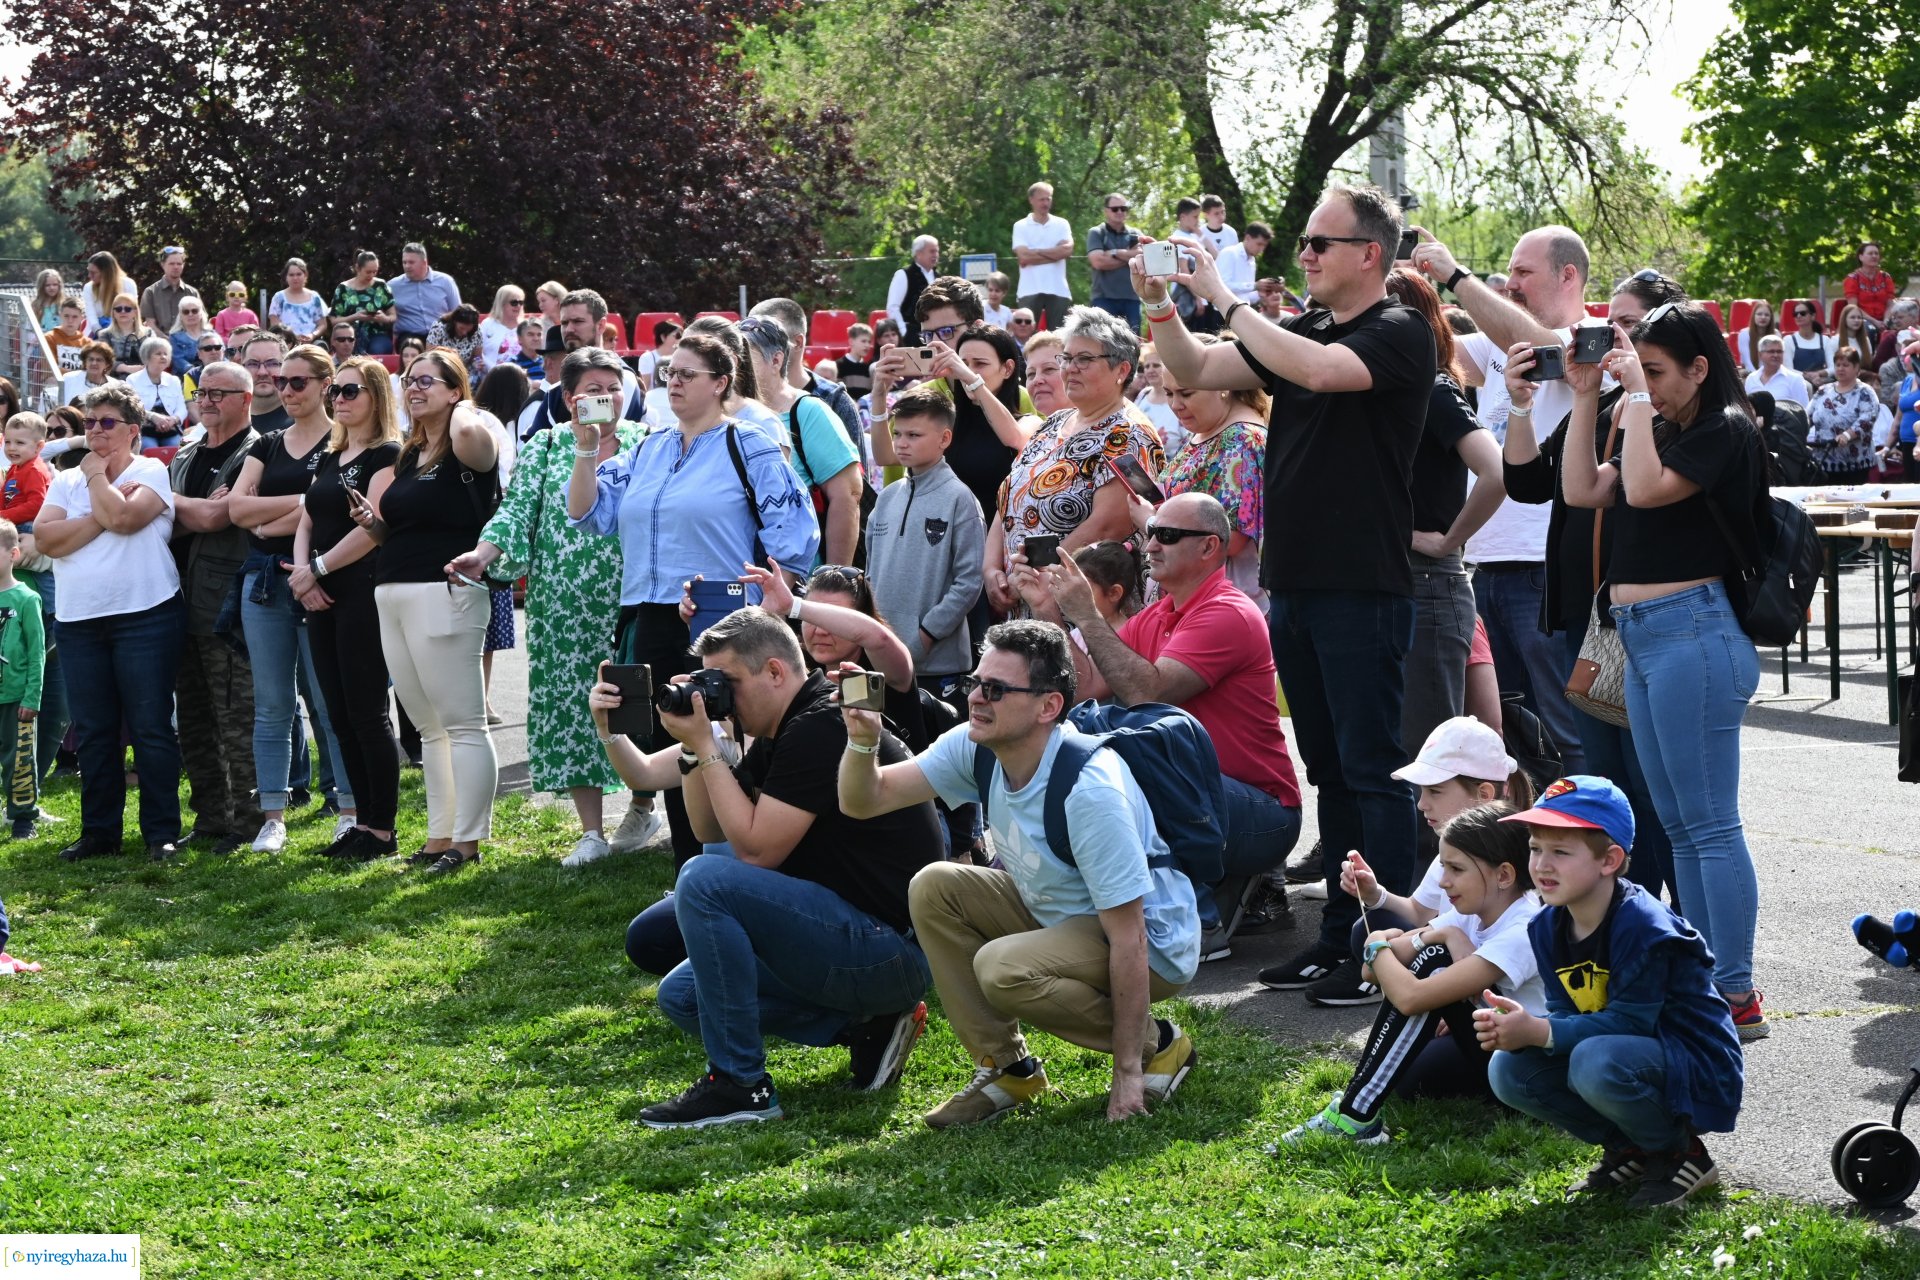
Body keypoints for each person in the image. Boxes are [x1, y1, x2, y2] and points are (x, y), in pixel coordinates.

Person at [1145, 183, 1431, 1006]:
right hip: (1298, 583)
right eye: (1303, 242)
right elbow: (1197, 366)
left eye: (1319, 243)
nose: (1303, 256)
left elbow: (1315, 371)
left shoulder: (1397, 331)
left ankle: (1391, 947)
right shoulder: (1301, 325)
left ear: (1370, 254)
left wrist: (1224, 294)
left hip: (1360, 584)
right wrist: (1163, 304)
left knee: (1373, 773)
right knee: (1332, 770)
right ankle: (1340, 938)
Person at [839, 619, 1202, 1126]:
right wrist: (861, 741)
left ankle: (1159, 1045)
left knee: (1002, 968)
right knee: (934, 887)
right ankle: (1009, 1070)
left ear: (1048, 706)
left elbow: (1131, 936)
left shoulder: (1089, 790)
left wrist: (1127, 1069)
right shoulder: (976, 745)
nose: (976, 700)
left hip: (1154, 944)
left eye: (996, 689)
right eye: (974, 684)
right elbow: (865, 800)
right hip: (1063, 915)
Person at [592, 605, 942, 1127]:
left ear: (775, 670)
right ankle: (864, 1025)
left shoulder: (820, 725)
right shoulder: (790, 723)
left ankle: (740, 1085)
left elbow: (756, 852)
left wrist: (708, 745)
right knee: (682, 996)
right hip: (859, 936)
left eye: (727, 682)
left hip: (890, 948)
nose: (721, 697)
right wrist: (694, 748)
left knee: (705, 880)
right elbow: (710, 830)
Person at [1555, 302, 1769, 1039]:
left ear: (1699, 368)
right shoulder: (1667, 428)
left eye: (1655, 370)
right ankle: (1709, 980)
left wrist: (1636, 402)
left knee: (1709, 826)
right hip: (1647, 639)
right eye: (1637, 369)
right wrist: (1588, 396)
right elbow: (1583, 490)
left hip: (1696, 633)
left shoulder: (1724, 430)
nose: (1640, 383)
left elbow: (1643, 491)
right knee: (1678, 827)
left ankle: (1735, 992)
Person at [566, 332, 818, 866]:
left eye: (686, 374)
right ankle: (689, 870)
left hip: (719, 621)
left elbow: (793, 533)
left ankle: (726, 865)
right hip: (647, 615)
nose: (672, 382)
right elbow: (588, 515)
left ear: (720, 383)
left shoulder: (748, 442)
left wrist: (769, 601)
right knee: (672, 737)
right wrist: (587, 446)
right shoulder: (648, 447)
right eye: (667, 372)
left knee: (720, 745)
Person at [1020, 492, 1303, 962]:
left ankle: (1201, 919)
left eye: (1166, 535)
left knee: (1134, 751)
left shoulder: (1226, 612)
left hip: (1262, 813)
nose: (1150, 545)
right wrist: (1049, 611)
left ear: (1209, 547)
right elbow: (1086, 685)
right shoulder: (1159, 613)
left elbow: (1144, 693)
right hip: (1209, 799)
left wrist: (1087, 614)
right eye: (1151, 532)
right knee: (1083, 738)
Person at [1499, 271, 1684, 908]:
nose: (1615, 338)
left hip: (1649, 623)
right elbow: (1526, 482)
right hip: (1589, 620)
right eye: (1613, 324)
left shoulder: (1685, 418)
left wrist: (1633, 395)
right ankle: (1620, 920)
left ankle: (1671, 928)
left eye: (1631, 326)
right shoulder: (1601, 407)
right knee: (1605, 783)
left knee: (1653, 788)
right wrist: (1520, 403)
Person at [1479, 777, 1744, 1209]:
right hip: (1625, 1054)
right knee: (1508, 1070)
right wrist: (1523, 1028)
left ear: (1610, 860)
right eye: (1535, 848)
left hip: (1694, 1064)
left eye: (1560, 852)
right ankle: (1633, 1148)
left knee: (1593, 1060)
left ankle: (1682, 1153)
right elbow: (1565, 1010)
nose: (1542, 864)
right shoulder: (1545, 926)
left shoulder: (1642, 925)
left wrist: (1541, 1032)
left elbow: (1631, 1022)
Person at [443, 348, 644, 867]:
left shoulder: (652, 444)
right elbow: (515, 514)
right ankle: (592, 831)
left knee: (643, 702)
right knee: (574, 708)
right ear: (569, 397)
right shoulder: (548, 447)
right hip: (563, 607)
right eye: (593, 388)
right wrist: (482, 554)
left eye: (613, 386)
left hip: (635, 596)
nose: (605, 397)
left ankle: (644, 804)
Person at [1411, 223, 1595, 777]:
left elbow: (1550, 351)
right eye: (1509, 272)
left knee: (1567, 729)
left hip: (1544, 567)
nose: (1510, 283)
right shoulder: (1493, 341)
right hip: (1486, 566)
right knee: (1508, 736)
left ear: (1568, 275)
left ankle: (1598, 851)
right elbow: (1418, 353)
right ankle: (1532, 848)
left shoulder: (1595, 337)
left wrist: (1453, 275)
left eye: (1522, 272)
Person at [1284, 802, 1543, 1144]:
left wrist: (1378, 944)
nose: (1444, 882)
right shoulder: (1471, 912)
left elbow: (1407, 995)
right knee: (1431, 956)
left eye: (1455, 869)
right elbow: (1370, 971)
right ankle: (1354, 1111)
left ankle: (1354, 1114)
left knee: (1433, 962)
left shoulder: (1523, 927)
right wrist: (1430, 935)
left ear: (1504, 875)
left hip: (1531, 1075)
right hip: (1493, 1048)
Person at [351, 348, 498, 873]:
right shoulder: (410, 455)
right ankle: (440, 837)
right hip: (393, 590)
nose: (413, 389)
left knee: (462, 723)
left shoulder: (468, 441)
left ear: (457, 391)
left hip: (448, 592)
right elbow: (393, 531)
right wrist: (372, 522)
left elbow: (471, 437)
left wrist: (459, 403)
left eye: (428, 382)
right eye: (409, 381)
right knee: (429, 727)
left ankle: (469, 840)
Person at [36, 384, 182, 862]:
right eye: (90, 421)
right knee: (95, 732)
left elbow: (125, 520)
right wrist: (104, 507)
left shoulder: (151, 470)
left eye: (106, 422)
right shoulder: (63, 481)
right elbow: (46, 540)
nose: (94, 430)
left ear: (133, 432)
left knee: (150, 727)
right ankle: (100, 833)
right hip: (79, 620)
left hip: (145, 614)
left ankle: (160, 832)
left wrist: (98, 481)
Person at [227, 344, 358, 852]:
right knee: (273, 704)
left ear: (327, 385)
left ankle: (348, 808)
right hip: (263, 581)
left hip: (326, 580)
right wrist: (307, 501)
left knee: (331, 703)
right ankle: (274, 816)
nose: (285, 390)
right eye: (281, 381)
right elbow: (239, 512)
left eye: (297, 382)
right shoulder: (268, 443)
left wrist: (273, 514)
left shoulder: (343, 443)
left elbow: (343, 512)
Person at [1385, 268, 1507, 764]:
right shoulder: (1376, 393)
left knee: (1432, 764)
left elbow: (1497, 472)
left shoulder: (1432, 389)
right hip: (1381, 584)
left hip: (1426, 583)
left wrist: (1446, 541)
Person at [288, 357, 405, 860]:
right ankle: (359, 822)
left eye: (351, 390)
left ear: (376, 396)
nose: (340, 398)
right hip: (318, 593)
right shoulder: (331, 454)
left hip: (360, 591)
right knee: (336, 715)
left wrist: (316, 571)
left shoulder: (387, 454)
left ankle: (381, 829)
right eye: (335, 389)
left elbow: (372, 527)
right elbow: (306, 518)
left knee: (366, 713)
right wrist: (301, 575)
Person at [984, 307, 1162, 616]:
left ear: (1121, 370)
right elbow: (1010, 495)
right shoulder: (1053, 422)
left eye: (1084, 359)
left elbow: (1108, 525)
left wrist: (1030, 573)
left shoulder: (1130, 434)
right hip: (1027, 593)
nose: (1071, 368)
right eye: (1066, 358)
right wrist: (991, 571)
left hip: (1083, 606)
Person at [166, 360, 262, 857]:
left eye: (218, 393)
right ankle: (208, 819)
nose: (206, 401)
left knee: (236, 717)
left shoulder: (257, 452)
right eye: (201, 392)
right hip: (177, 600)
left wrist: (175, 506)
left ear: (245, 400)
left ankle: (247, 824)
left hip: (226, 605)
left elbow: (225, 517)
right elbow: (170, 520)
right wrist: (193, 510)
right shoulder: (184, 453)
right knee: (196, 718)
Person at [866, 386, 986, 679]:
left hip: (937, 667)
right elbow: (869, 573)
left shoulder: (960, 498)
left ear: (945, 438)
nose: (902, 443)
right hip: (880, 657)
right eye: (898, 434)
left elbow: (970, 581)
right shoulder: (886, 497)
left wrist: (926, 635)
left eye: (914, 435)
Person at [740, 316, 862, 566]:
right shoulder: (727, 414)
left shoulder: (807, 411)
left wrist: (833, 580)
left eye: (744, 357)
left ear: (776, 360)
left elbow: (847, 495)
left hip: (798, 582)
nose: (734, 366)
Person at [1155, 335, 1267, 606]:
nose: (1175, 405)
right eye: (1169, 393)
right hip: (1198, 594)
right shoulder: (1207, 429)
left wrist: (1153, 523)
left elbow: (1233, 537)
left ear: (1221, 384)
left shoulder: (1242, 439)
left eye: (1186, 393)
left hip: (1225, 600)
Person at [515, 290, 646, 440]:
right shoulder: (554, 392)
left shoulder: (622, 380)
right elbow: (531, 449)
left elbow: (605, 441)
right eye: (564, 323)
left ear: (601, 325)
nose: (569, 329)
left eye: (578, 321)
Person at [0, 520, 45, 840]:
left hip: (16, 697)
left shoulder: (26, 599)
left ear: (13, 553)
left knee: (19, 760)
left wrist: (32, 697)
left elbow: (37, 653)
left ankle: (23, 818)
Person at [1808, 345, 1879, 483]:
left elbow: (1867, 418)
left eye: (1845, 365)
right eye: (1838, 365)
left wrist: (1847, 435)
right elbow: (1807, 415)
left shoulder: (1865, 392)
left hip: (1854, 465)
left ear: (1857, 367)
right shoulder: (1823, 390)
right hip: (1823, 461)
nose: (1840, 368)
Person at [1012, 181, 1074, 329]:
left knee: (1059, 338)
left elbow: (1067, 250)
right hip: (1029, 290)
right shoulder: (1020, 226)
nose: (1046, 203)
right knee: (1026, 336)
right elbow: (1024, 257)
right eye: (1042, 199)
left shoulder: (1062, 224)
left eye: (1049, 198)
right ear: (1031, 200)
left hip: (1058, 290)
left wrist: (1036, 252)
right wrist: (1055, 254)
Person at [1085, 194, 1144, 330]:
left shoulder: (1136, 234)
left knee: (1133, 346)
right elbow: (1098, 262)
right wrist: (1130, 257)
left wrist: (1114, 252)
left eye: (1123, 208)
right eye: (1115, 209)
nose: (1120, 212)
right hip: (1103, 299)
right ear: (1106, 211)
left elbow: (1143, 258)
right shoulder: (1097, 232)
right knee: (1102, 346)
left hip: (1132, 299)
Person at [387, 244, 461, 345]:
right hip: (409, 336)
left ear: (424, 262)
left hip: (441, 333)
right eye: (404, 262)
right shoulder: (393, 286)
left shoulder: (445, 281)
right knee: (411, 347)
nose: (407, 266)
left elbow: (457, 311)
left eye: (411, 262)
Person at [329, 251, 397, 355]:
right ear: (358, 268)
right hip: (349, 335)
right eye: (368, 272)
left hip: (377, 333)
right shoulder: (343, 288)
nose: (372, 275)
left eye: (375, 272)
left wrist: (384, 318)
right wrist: (355, 317)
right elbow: (333, 320)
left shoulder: (380, 285)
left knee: (377, 350)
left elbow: (393, 316)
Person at [126, 338, 188, 448]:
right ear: (147, 356)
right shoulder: (133, 380)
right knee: (150, 449)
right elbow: (131, 408)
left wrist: (173, 420)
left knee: (178, 450)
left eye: (166, 354)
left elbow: (182, 408)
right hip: (145, 430)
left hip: (171, 428)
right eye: (158, 354)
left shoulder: (174, 380)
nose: (163, 357)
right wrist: (153, 417)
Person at [885, 235, 940, 344]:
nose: (936, 255)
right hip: (912, 336)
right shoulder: (904, 275)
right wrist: (903, 332)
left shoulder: (938, 277)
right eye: (932, 251)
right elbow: (893, 307)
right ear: (918, 253)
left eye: (937, 252)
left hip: (935, 336)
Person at [1133, 342, 1184, 455]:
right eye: (1147, 366)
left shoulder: (1179, 397)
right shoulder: (1143, 394)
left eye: (1156, 365)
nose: (1150, 370)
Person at [139, 246, 199, 336]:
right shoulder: (150, 292)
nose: (176, 267)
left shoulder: (192, 293)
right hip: (159, 344)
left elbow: (200, 322)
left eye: (179, 264)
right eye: (171, 264)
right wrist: (168, 341)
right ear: (162, 264)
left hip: (188, 343)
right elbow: (150, 324)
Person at [268, 259, 329, 345]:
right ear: (286, 277)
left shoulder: (314, 297)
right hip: (286, 344)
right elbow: (275, 326)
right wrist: (292, 337)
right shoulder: (279, 298)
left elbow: (322, 324)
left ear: (305, 275)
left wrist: (312, 335)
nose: (295, 278)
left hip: (310, 344)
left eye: (299, 274)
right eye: (291, 275)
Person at [1743, 333, 1810, 409]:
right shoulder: (1751, 379)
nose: (1776, 355)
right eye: (1771, 351)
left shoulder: (1795, 379)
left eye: (1779, 351)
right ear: (1760, 354)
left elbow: (1804, 411)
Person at [475, 286, 526, 377]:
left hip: (521, 378)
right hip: (490, 378)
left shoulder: (526, 326)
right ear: (502, 303)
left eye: (520, 302)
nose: (518, 306)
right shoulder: (488, 324)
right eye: (514, 302)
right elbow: (477, 351)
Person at [1215, 223, 1271, 306]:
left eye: (1264, 246)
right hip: (1222, 311)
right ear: (1247, 238)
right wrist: (1254, 285)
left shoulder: (1252, 260)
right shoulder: (1230, 253)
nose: (1261, 249)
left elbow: (1245, 296)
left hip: (1240, 311)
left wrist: (1265, 291)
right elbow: (1222, 285)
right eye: (1259, 244)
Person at [97, 294, 153, 377]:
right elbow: (103, 360)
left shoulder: (149, 333)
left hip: (144, 377)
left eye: (127, 309)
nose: (123, 312)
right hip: (114, 380)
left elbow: (154, 357)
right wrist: (127, 368)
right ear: (113, 313)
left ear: (135, 312)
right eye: (118, 309)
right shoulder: (104, 335)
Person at [1784, 300, 1837, 388]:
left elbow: (1834, 368)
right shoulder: (1788, 340)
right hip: (1798, 385)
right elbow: (1788, 369)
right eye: (1795, 314)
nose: (1798, 316)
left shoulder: (1825, 340)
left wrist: (1818, 374)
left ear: (1813, 316)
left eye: (1803, 313)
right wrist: (1808, 377)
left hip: (1821, 383)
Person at [81, 251, 135, 334]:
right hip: (97, 332)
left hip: (124, 330)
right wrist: (100, 332)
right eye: (89, 271)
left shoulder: (128, 284)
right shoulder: (88, 288)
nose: (89, 276)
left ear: (106, 273)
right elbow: (91, 315)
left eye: (93, 273)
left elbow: (132, 312)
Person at [1846, 240, 1897, 323]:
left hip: (1885, 319)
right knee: (1868, 329)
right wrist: (1875, 322)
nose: (1874, 256)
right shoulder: (1853, 278)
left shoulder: (1885, 277)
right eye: (1870, 253)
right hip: (1862, 319)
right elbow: (1853, 307)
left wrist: (1886, 321)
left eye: (1876, 253)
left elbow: (1890, 304)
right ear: (1861, 257)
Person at [60, 342, 118, 409]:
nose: (94, 363)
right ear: (85, 362)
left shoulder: (114, 385)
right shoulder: (69, 378)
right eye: (91, 359)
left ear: (107, 364)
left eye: (99, 360)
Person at [169, 295, 217, 377]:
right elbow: (178, 360)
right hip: (186, 377)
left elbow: (222, 354)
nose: (190, 314)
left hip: (214, 374)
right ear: (180, 315)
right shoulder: (174, 337)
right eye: (186, 312)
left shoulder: (212, 334)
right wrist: (196, 372)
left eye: (194, 311)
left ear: (201, 313)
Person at [425, 305, 483, 370]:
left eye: (468, 329)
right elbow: (430, 356)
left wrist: (476, 363)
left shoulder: (477, 331)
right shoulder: (438, 328)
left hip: (465, 372)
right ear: (454, 322)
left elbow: (477, 356)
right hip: (441, 369)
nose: (464, 332)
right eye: (461, 328)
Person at [635, 319, 682, 392]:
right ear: (663, 337)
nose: (680, 339)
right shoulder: (647, 358)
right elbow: (645, 388)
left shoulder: (682, 357)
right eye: (678, 335)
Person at [45, 299, 89, 374]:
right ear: (60, 315)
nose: (70, 320)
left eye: (75, 317)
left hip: (81, 381)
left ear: (82, 318)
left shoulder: (87, 343)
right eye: (66, 316)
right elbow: (50, 368)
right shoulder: (49, 338)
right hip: (57, 381)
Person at [1734, 299, 1777, 374]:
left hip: (1772, 374)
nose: (1763, 317)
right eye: (1759, 314)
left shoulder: (1776, 334)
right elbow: (1748, 363)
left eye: (1767, 315)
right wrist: (1759, 378)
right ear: (1753, 316)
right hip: (1751, 374)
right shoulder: (1744, 334)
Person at [1836, 303, 1881, 372]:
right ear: (1844, 320)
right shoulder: (1835, 340)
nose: (1857, 320)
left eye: (1859, 318)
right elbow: (1833, 368)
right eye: (1852, 317)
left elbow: (1869, 363)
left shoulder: (1866, 340)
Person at [837, 324, 874, 401]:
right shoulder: (839, 365)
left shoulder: (868, 368)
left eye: (869, 342)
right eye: (863, 341)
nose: (867, 345)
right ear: (851, 341)